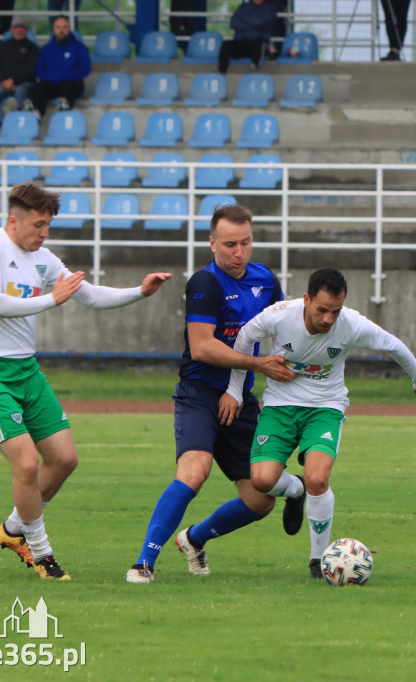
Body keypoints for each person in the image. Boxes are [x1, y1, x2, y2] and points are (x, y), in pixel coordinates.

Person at [0, 183, 171, 580]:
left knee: (63, 459)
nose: (43, 234)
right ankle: (41, 554)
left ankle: (11, 529)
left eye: (48, 226)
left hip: (27, 370)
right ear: (13, 220)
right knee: (26, 464)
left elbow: (88, 295)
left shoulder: (42, 259)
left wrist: (140, 292)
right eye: (38, 225)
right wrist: (51, 300)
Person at [223, 268, 416, 579]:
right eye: (322, 310)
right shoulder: (279, 315)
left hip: (325, 408)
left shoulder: (351, 324)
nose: (328, 319)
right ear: (307, 299)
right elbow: (244, 337)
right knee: (261, 481)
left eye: (335, 311)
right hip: (279, 407)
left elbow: (392, 344)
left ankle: (318, 560)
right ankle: (295, 490)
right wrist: (234, 389)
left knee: (318, 478)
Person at [125, 204, 296, 584]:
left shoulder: (265, 279)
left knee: (260, 499)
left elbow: (285, 332)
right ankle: (143, 563)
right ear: (212, 243)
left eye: (246, 243)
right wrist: (259, 365)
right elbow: (202, 347)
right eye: (230, 244)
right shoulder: (204, 283)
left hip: (240, 400)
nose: (239, 253)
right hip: (201, 395)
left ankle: (194, 539)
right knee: (194, 473)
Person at [26, 15, 90, 116]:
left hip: (71, 84)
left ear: (69, 28)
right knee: (40, 87)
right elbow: (39, 70)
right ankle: (36, 114)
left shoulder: (80, 47)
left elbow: (85, 69)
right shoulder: (46, 48)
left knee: (70, 87)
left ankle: (64, 112)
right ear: (53, 29)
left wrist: (63, 76)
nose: (61, 30)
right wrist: (54, 77)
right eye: (58, 27)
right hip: (51, 84)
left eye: (64, 27)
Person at [0, 16, 38, 127]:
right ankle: (0, 123)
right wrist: (4, 81)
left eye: (22, 27)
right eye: (16, 27)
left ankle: (17, 124)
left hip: (25, 84)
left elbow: (32, 70)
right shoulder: (2, 46)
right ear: (11, 29)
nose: (19, 30)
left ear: (26, 30)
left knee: (20, 91)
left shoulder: (33, 48)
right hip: (6, 84)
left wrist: (14, 81)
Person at [217, 0, 278, 74]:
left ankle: (254, 69)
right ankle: (221, 72)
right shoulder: (243, 6)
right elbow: (233, 23)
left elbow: (259, 22)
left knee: (259, 45)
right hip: (241, 42)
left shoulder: (270, 8)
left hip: (257, 42)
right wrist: (252, 24)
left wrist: (243, 18)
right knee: (226, 44)